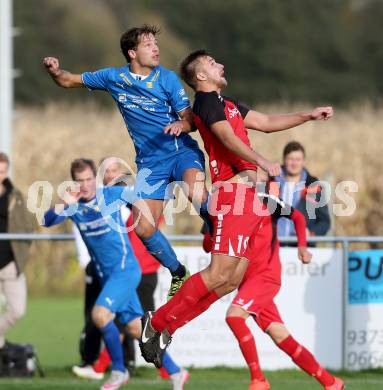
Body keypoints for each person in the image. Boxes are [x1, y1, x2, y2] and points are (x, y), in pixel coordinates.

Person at [139, 49, 334, 368]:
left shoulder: (227, 104)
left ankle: (166, 328)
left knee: (229, 281)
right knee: (217, 273)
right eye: (214, 64)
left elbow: (267, 122)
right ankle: (158, 322)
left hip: (251, 200)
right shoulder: (206, 102)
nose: (221, 65)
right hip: (233, 196)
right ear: (201, 76)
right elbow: (226, 138)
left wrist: (308, 116)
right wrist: (261, 161)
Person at [43, 25, 211, 299]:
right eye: (148, 45)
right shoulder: (113, 77)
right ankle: (179, 272)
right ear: (132, 53)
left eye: (156, 44)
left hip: (181, 152)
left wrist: (182, 124)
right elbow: (67, 80)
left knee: (194, 192)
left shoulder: (167, 79)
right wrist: (54, 71)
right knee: (143, 227)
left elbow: (190, 118)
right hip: (150, 164)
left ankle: (214, 227)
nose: (156, 49)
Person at [43, 158, 187, 390]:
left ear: (95, 178)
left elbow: (139, 200)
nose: (86, 184)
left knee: (99, 315)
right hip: (108, 277)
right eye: (81, 181)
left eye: (90, 179)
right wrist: (63, 204)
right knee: (134, 328)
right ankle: (175, 371)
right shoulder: (74, 205)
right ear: (75, 182)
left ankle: (119, 371)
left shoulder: (109, 195)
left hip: (125, 270)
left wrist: (149, 213)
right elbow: (46, 221)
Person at [224, 190, 344, 390]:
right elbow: (208, 241)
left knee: (234, 317)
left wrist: (302, 247)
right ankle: (331, 383)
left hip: (265, 277)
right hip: (245, 283)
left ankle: (258, 379)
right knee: (281, 336)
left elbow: (297, 216)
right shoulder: (222, 204)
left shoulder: (265, 200)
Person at [0, 152, 33, 352]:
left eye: (2, 171)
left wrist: (21, 252)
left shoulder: (15, 196)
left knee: (17, 310)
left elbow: (28, 228)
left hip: (11, 264)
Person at [275, 141, 331, 240]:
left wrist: (310, 233)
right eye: (291, 159)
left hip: (302, 247)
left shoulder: (314, 187)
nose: (294, 163)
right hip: (273, 246)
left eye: (298, 159)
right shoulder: (271, 183)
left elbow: (324, 222)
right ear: (284, 160)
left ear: (303, 161)